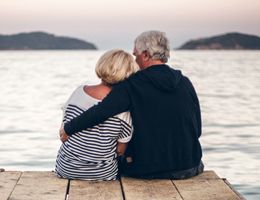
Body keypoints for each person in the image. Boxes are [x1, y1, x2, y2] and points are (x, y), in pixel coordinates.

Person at [60, 30, 204, 179]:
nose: (134, 60)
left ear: (146, 55)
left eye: (136, 55)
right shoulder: (184, 82)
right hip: (190, 166)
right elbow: (197, 128)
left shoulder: (132, 85)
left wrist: (68, 128)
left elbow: (101, 112)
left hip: (149, 170)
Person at [56, 49, 139, 180]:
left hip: (66, 168)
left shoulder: (78, 92)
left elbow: (64, 127)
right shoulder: (123, 108)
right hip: (102, 173)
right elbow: (120, 150)